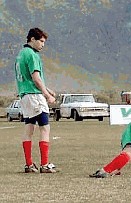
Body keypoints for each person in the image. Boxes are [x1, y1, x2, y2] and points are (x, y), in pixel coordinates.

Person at [15, 28, 57, 173]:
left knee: (29, 129)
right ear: (32, 39)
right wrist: (47, 94)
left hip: (25, 96)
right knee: (45, 128)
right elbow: (35, 78)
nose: (42, 45)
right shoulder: (32, 55)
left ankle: (29, 164)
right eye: (41, 41)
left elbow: (28, 78)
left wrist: (48, 89)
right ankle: (44, 164)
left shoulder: (21, 54)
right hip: (35, 96)